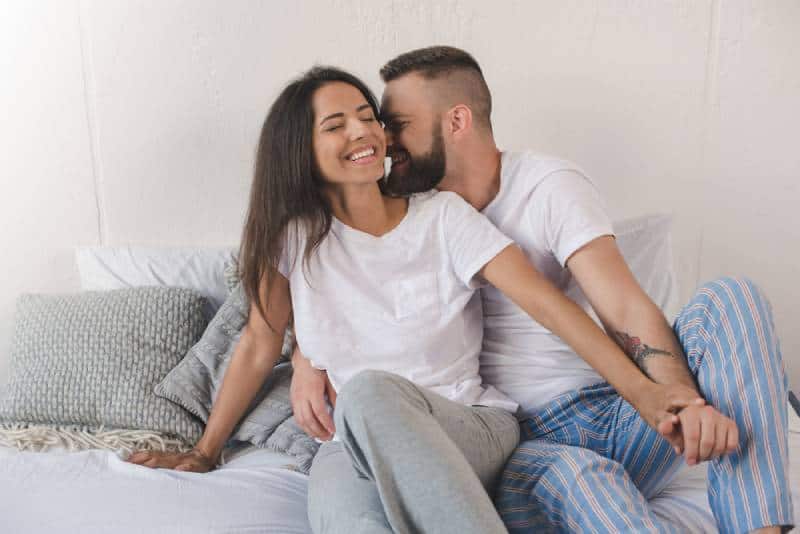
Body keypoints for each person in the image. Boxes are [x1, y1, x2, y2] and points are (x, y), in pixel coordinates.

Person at [125, 65, 691, 534]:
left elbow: (549, 305)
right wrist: (203, 453)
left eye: (368, 116)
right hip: (352, 444)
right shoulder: (292, 240)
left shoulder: (444, 218)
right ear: (301, 149)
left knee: (368, 392)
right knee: (349, 518)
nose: (363, 132)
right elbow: (256, 343)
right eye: (336, 124)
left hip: (471, 425)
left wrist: (641, 388)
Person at [290, 47, 793, 534]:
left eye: (397, 125)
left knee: (732, 298)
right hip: (527, 441)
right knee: (580, 480)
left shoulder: (547, 185)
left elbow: (621, 304)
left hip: (616, 410)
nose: (384, 139)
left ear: (457, 122)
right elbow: (347, 294)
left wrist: (674, 397)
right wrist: (304, 359)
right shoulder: (409, 209)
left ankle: (760, 526)